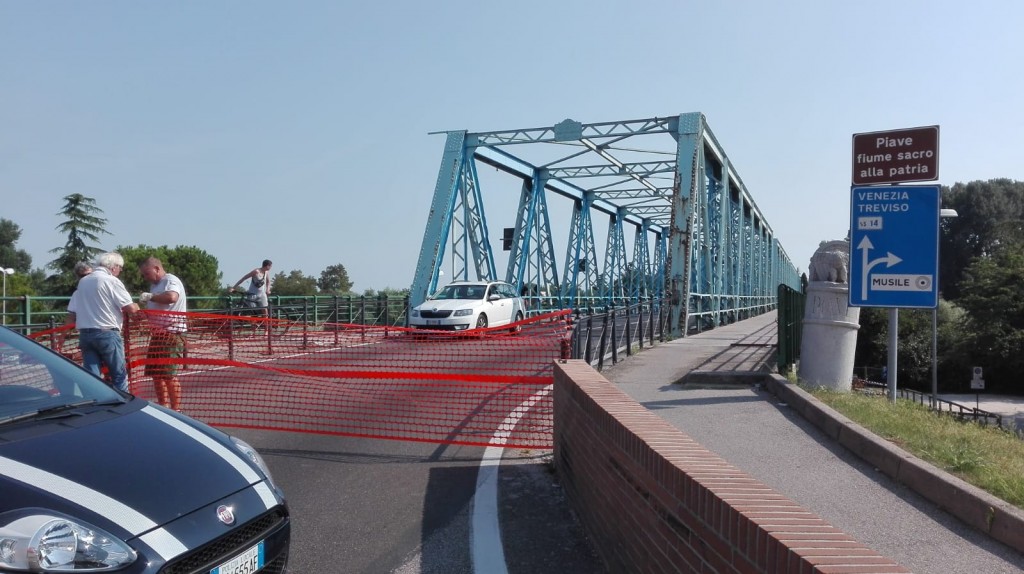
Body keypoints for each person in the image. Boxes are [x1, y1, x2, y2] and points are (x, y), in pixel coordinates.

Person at [65, 252, 139, 392]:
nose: (121, 270)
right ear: (113, 267)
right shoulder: (111, 281)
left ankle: (96, 404)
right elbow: (129, 308)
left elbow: (72, 313)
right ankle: (123, 406)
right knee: (118, 375)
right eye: (120, 267)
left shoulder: (83, 282)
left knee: (92, 377)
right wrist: (137, 305)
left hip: (86, 334)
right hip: (107, 332)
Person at [138, 257, 188, 411]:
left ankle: (176, 410)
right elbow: (159, 309)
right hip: (158, 334)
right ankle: (164, 407)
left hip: (171, 334)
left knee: (168, 374)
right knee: (156, 374)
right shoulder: (155, 286)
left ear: (157, 269)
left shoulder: (170, 280)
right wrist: (144, 314)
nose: (146, 277)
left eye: (147, 273)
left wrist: (150, 296)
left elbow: (172, 298)